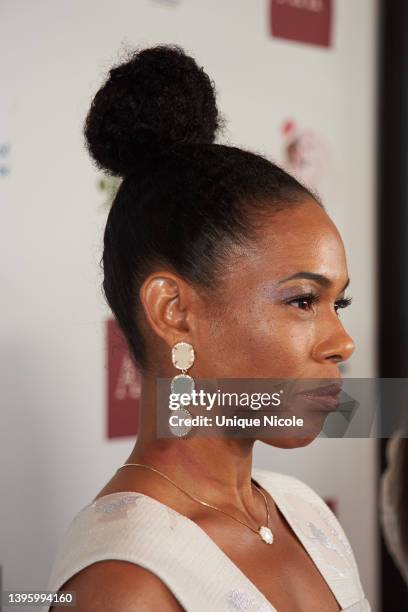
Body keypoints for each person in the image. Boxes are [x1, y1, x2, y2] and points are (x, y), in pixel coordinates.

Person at [45, 45, 370, 611]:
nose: (342, 342)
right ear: (174, 311)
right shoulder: (124, 585)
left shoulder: (305, 512)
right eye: (301, 300)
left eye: (337, 303)